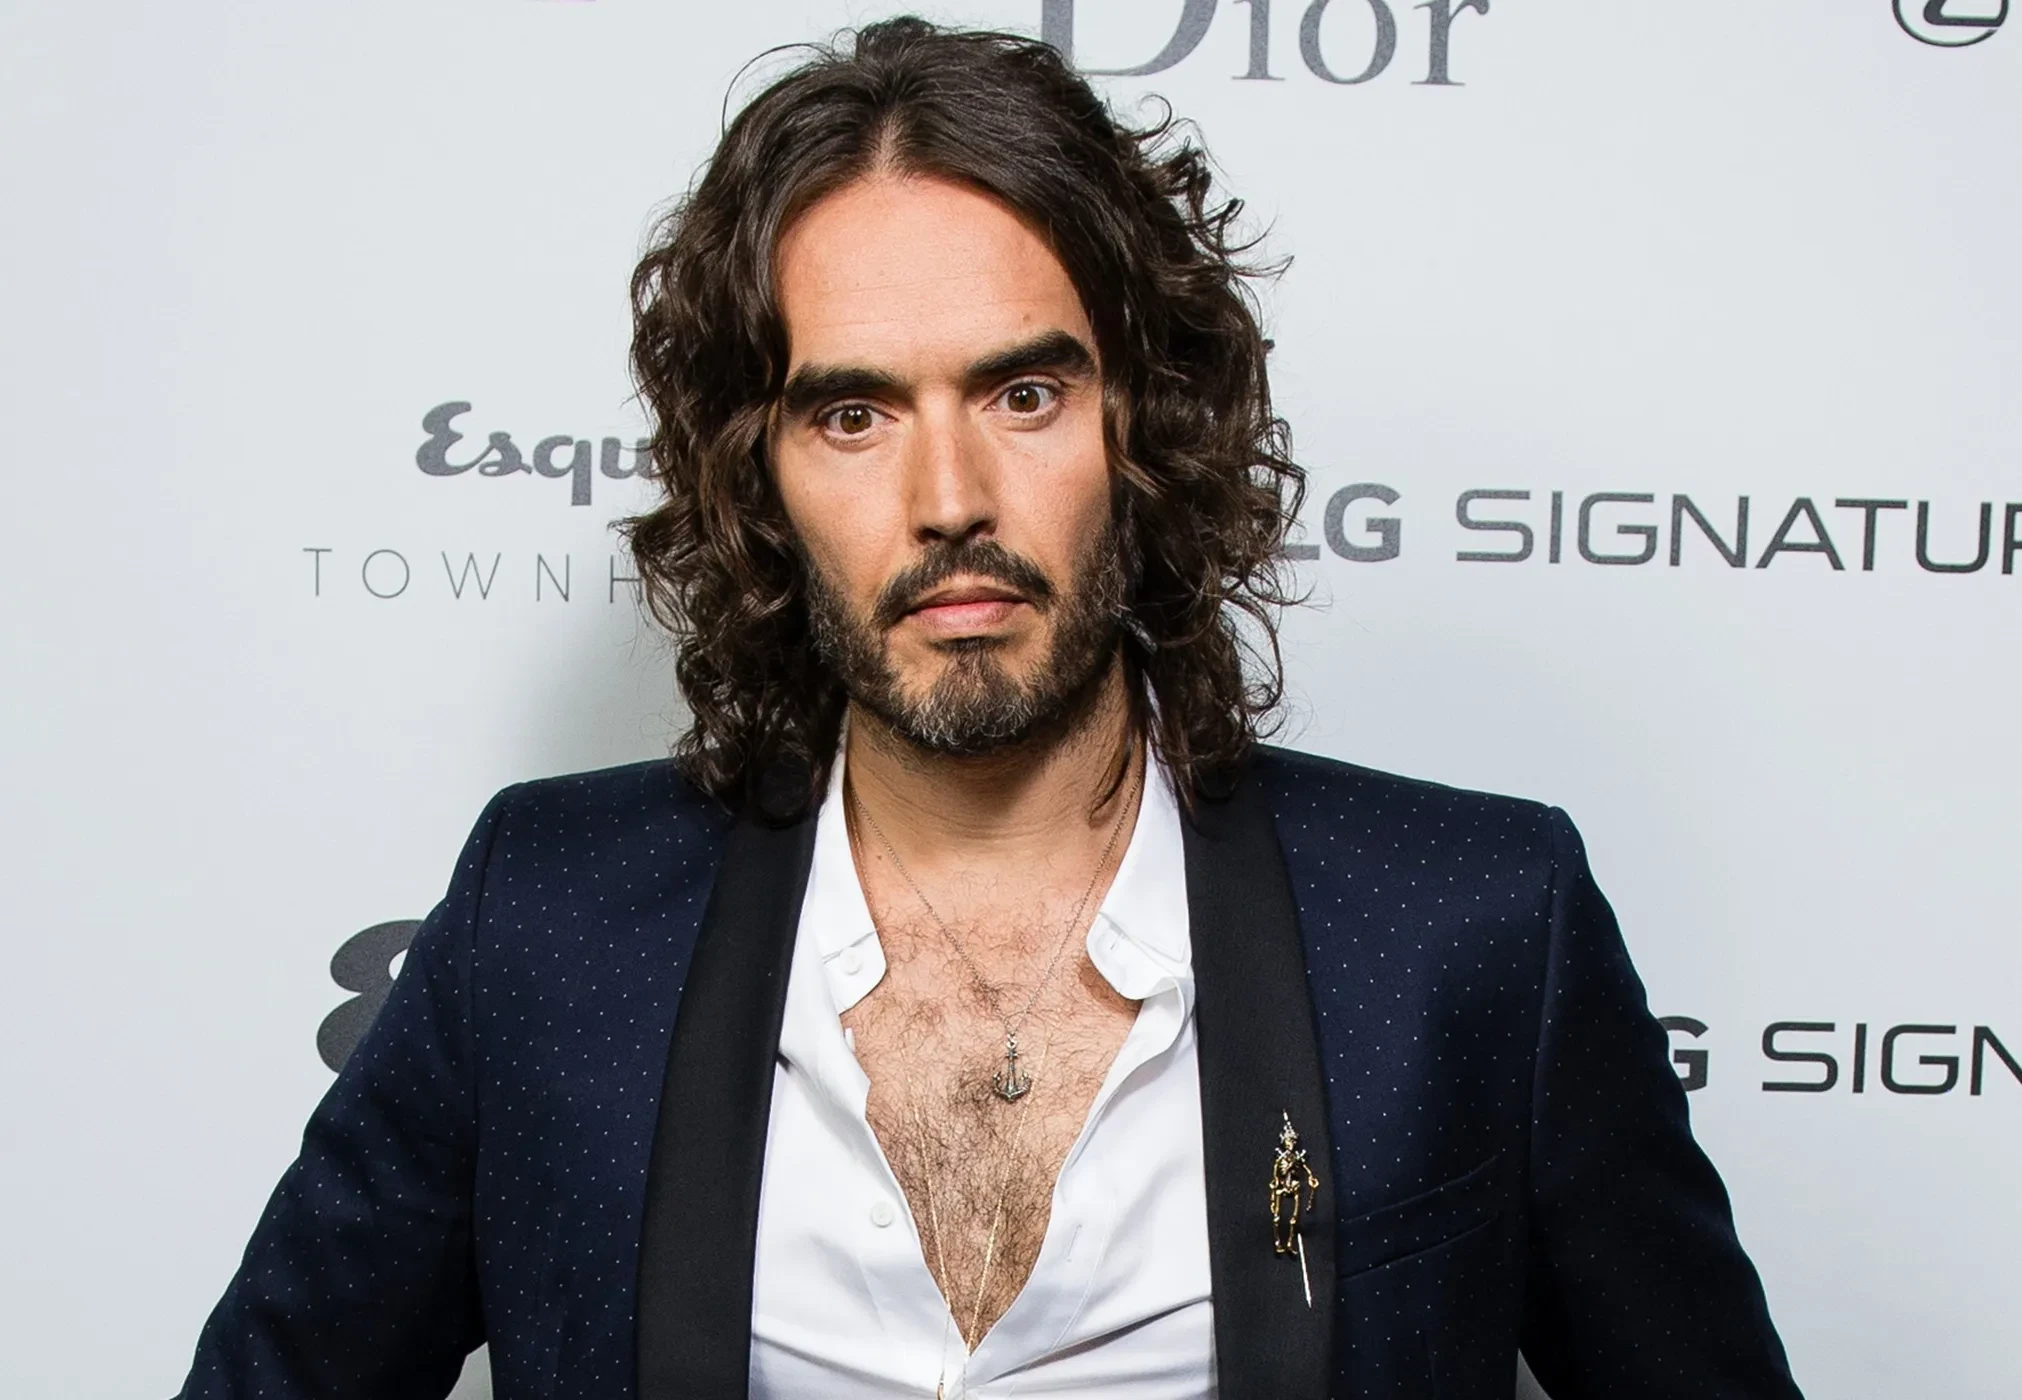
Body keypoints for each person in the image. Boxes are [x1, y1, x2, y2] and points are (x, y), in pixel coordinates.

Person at [179, 18, 1802, 1400]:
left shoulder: (1468, 923)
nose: (949, 495)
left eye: (1023, 393)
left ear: (1142, 422)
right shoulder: (548, 917)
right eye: (853, 414)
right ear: (758, 476)